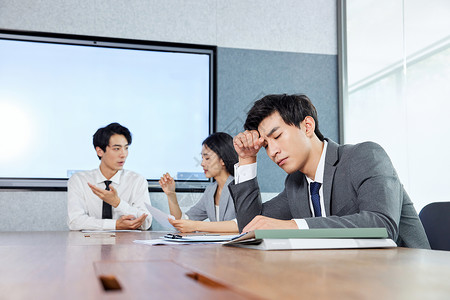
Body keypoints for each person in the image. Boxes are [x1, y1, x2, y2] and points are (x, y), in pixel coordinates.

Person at [230, 94, 430, 249]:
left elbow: (382, 225)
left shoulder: (365, 155)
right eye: (265, 145)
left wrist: (294, 226)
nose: (272, 151)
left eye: (278, 136)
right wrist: (247, 159)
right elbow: (249, 228)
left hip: (408, 278)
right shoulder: (296, 184)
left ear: (307, 126)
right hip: (347, 278)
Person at [67, 122, 152, 230]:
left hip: (127, 244)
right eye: (117, 149)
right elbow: (75, 222)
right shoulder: (79, 180)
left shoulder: (137, 180)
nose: (123, 154)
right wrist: (115, 225)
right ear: (100, 151)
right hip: (90, 244)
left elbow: (146, 222)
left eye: (126, 148)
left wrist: (117, 203)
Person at [159, 132, 239, 233]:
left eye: (207, 158)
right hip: (218, 248)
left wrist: (196, 225)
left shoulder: (240, 186)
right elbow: (183, 221)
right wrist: (171, 195)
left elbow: (240, 224)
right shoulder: (211, 190)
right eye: (202, 158)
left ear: (222, 159)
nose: (202, 163)